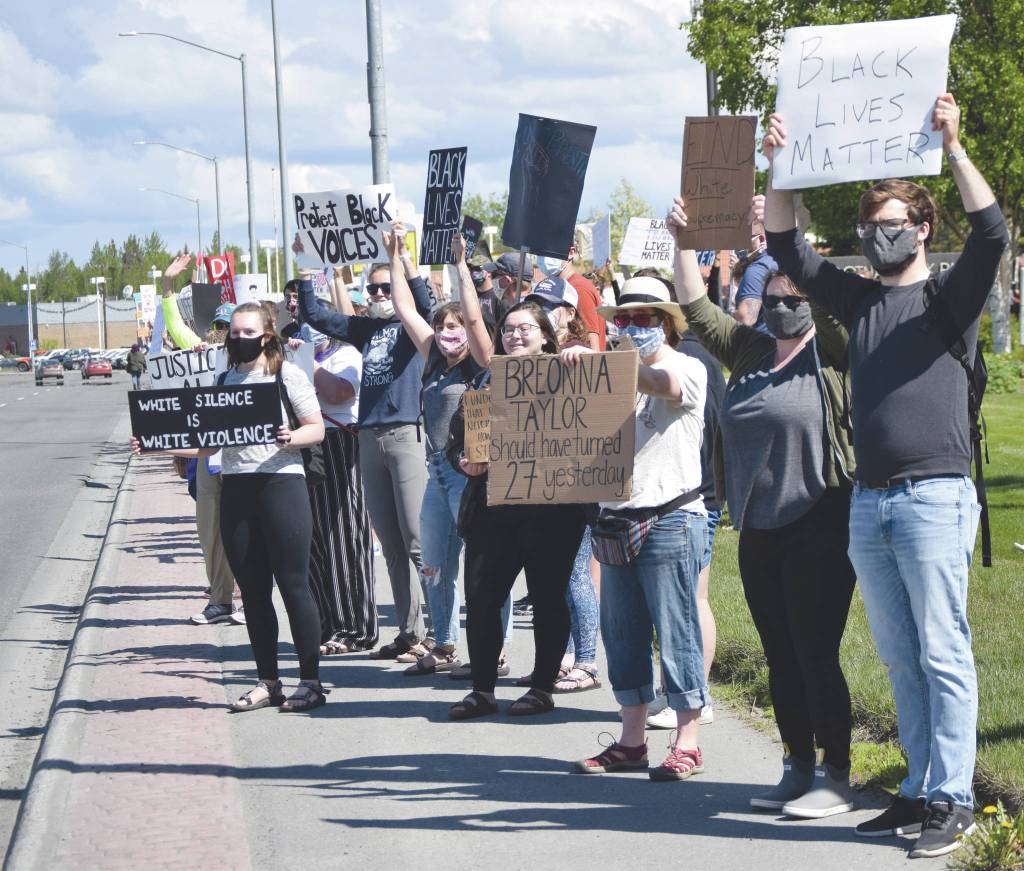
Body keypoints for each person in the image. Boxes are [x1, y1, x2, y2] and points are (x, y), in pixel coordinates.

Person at [762, 94, 1008, 857]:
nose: (879, 234)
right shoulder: (858, 298)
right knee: (902, 654)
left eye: (894, 221)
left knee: (943, 649)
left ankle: (955, 797)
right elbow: (784, 243)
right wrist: (785, 165)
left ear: (922, 227)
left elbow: (994, 232)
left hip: (935, 496)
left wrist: (955, 144)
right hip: (870, 503)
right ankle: (919, 784)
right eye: (871, 226)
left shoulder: (948, 296)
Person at [670, 195, 859, 816]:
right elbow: (697, 309)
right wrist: (681, 240)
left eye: (793, 299)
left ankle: (835, 771)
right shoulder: (748, 351)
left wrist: (789, 234)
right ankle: (796, 763)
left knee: (813, 650)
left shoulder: (829, 353)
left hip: (820, 520)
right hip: (757, 527)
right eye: (773, 299)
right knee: (779, 651)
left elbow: (820, 301)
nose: (781, 308)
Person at [131, 302, 326, 711]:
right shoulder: (224, 379)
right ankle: (267, 681)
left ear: (267, 335)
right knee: (254, 593)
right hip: (236, 489)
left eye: (248, 333)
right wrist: (155, 443)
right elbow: (210, 445)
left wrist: (289, 437)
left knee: (293, 586)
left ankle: (310, 681)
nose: (239, 340)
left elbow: (317, 428)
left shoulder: (286, 375)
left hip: (281, 485)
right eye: (234, 333)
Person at [571, 275, 709, 781]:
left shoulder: (685, 366)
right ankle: (631, 742)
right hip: (614, 519)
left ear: (667, 324)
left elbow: (664, 386)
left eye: (644, 319)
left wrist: (604, 364)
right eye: (624, 320)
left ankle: (687, 741)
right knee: (622, 633)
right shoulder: (609, 370)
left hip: (671, 516)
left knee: (677, 632)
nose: (632, 327)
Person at [446, 233, 588, 720]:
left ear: (547, 335)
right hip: (492, 507)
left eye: (525, 329)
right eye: (508, 330)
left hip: (552, 511)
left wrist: (579, 363)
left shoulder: (570, 373)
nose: (514, 336)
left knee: (549, 596)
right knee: (483, 597)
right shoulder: (489, 377)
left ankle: (542, 686)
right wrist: (462, 461)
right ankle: (483, 689)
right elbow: (458, 436)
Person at [295, 232, 431, 661]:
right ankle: (409, 632)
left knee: (416, 540)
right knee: (390, 544)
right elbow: (317, 315)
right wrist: (304, 272)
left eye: (385, 287)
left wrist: (401, 260)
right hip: (369, 439)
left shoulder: (413, 326)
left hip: (407, 433)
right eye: (371, 288)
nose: (377, 293)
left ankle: (436, 632)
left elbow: (426, 304)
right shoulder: (365, 329)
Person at [380, 225, 487, 676]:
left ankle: (491, 649)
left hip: (471, 474)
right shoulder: (433, 360)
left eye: (454, 326)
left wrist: (460, 265)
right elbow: (405, 308)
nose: (447, 333)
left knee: (482, 563)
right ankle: (444, 644)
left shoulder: (481, 363)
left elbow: (476, 321)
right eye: (442, 326)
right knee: (435, 564)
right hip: (438, 472)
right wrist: (395, 254)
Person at [522, 276, 601, 694]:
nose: (542, 309)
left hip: (576, 484)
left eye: (550, 304)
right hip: (539, 483)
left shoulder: (579, 354)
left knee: (575, 575)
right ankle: (563, 657)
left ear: (569, 312)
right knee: (553, 578)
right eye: (536, 302)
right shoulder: (535, 355)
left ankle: (586, 659)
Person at [299, 322, 378, 655]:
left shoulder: (345, 353)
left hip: (338, 443)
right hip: (301, 445)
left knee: (343, 537)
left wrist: (304, 361)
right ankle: (324, 625)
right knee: (311, 539)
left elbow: (339, 393)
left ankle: (354, 628)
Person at [536, 245, 606, 350]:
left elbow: (592, 348)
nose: (545, 258)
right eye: (540, 252)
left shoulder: (578, 288)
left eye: (551, 251)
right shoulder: (556, 287)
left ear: (571, 252)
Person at [731, 231, 778, 334]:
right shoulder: (778, 259)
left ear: (761, 239)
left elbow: (746, 319)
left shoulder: (756, 270)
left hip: (761, 341)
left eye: (743, 238)